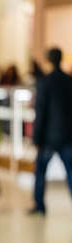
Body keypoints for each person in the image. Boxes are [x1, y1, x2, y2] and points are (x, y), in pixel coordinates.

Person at [29, 48, 72, 215]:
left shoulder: (44, 82)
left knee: (40, 171)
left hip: (48, 136)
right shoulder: (69, 81)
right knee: (70, 171)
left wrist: (36, 138)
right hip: (68, 135)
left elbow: (41, 112)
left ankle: (39, 205)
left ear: (48, 60)